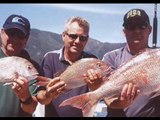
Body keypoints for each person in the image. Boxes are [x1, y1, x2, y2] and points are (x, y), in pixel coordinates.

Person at [86, 8, 158, 117]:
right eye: (131, 26)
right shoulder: (111, 57)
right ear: (124, 32)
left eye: (142, 26)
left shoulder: (156, 55)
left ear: (149, 29)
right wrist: (121, 103)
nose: (137, 30)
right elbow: (108, 99)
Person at [35, 16, 98, 117]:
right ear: (63, 35)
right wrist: (48, 94)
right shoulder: (50, 57)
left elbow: (96, 94)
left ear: (87, 40)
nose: (77, 41)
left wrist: (96, 86)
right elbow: (41, 98)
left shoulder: (92, 60)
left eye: (82, 38)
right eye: (73, 36)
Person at [0, 14, 40, 117]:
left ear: (26, 39)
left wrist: (25, 97)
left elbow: (31, 109)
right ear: (2, 32)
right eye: (11, 33)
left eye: (20, 35)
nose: (15, 39)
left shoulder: (32, 68)